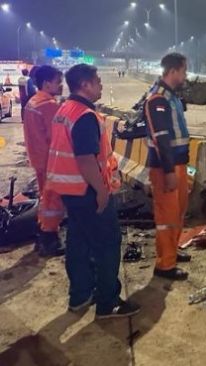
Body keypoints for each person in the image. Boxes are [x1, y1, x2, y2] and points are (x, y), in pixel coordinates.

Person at [46, 64, 140, 319]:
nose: (100, 85)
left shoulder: (65, 109)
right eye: (97, 81)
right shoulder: (85, 116)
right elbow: (86, 158)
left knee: (78, 243)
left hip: (70, 191)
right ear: (85, 85)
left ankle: (80, 296)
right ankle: (108, 303)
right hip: (88, 191)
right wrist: (100, 190)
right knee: (108, 244)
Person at [144, 53, 192, 281]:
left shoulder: (172, 96)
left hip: (179, 164)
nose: (186, 75)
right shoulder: (158, 98)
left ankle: (172, 250)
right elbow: (161, 137)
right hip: (166, 168)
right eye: (184, 71)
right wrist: (170, 171)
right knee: (166, 218)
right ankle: (165, 266)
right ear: (173, 71)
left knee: (178, 213)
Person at [22, 65, 66, 257]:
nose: (61, 85)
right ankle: (49, 239)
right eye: (58, 82)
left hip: (38, 157)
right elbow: (59, 134)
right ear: (47, 83)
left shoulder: (34, 101)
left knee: (45, 197)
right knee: (53, 200)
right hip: (50, 160)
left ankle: (42, 232)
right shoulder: (48, 105)